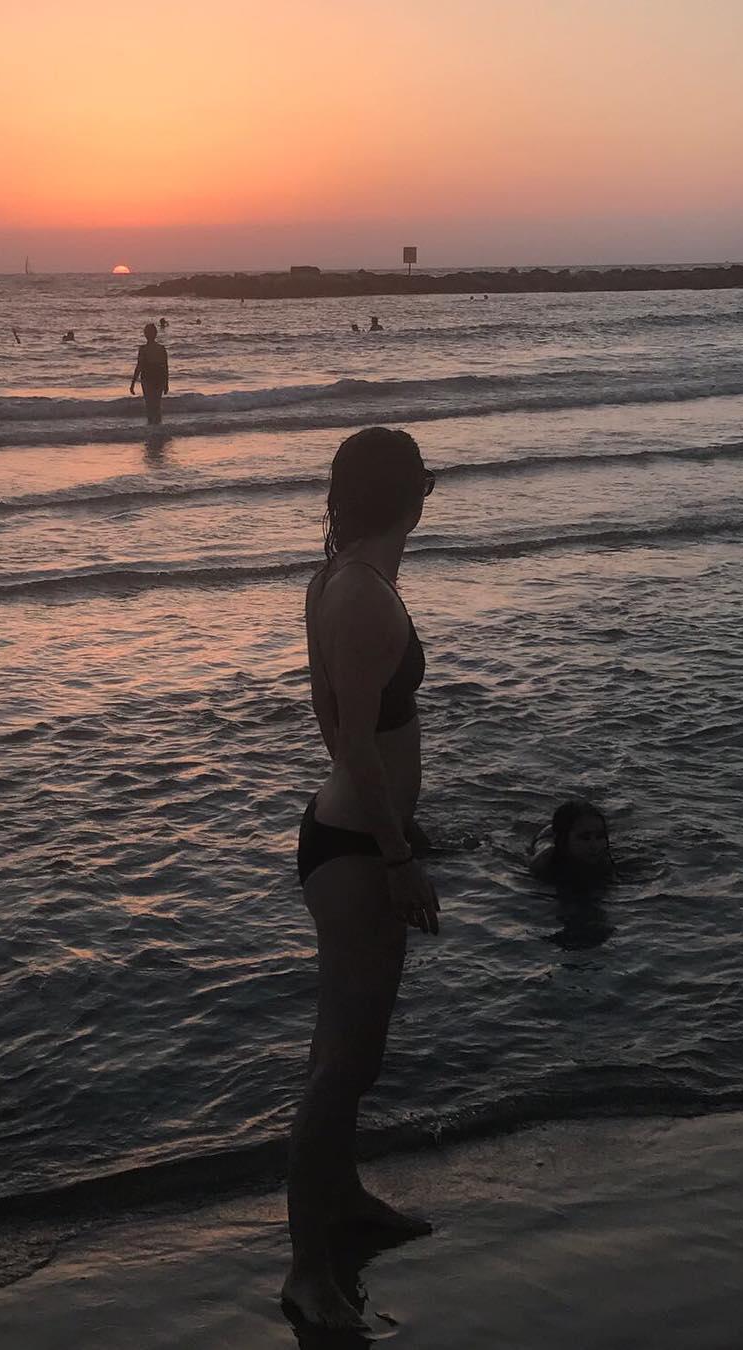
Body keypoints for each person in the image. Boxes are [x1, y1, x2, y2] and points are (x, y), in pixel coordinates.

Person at [283, 426, 440, 1330]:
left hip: (358, 833)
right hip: (353, 849)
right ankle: (308, 1272)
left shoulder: (343, 580)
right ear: (410, 497)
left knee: (350, 1054)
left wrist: (395, 826)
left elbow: (333, 720)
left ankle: (341, 1200)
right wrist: (398, 855)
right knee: (341, 1066)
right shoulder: (362, 598)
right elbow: (355, 746)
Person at [529, 800, 615, 885]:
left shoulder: (604, 859)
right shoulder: (543, 863)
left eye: (600, 836)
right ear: (563, 841)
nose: (595, 846)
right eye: (585, 838)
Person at [130, 322, 169, 425]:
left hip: (148, 379)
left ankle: (152, 425)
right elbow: (165, 367)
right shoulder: (161, 348)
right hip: (158, 378)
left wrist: (133, 383)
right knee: (156, 404)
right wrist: (166, 383)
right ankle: (157, 425)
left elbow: (139, 366)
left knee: (150, 405)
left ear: (145, 334)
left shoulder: (143, 349)